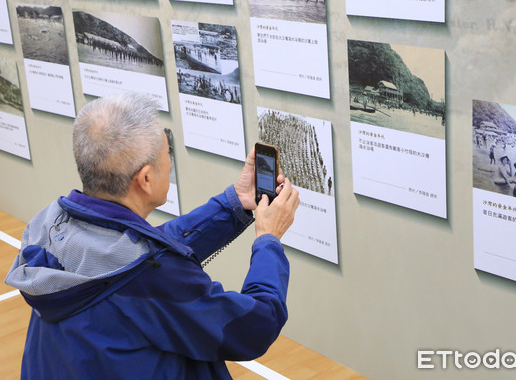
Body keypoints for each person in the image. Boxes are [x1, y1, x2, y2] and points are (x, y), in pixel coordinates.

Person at [4, 93, 300, 380]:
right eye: (166, 154)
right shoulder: (154, 278)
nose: (169, 162)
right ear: (145, 179)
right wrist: (268, 239)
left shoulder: (53, 226)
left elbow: (144, 247)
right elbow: (254, 326)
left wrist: (233, 203)